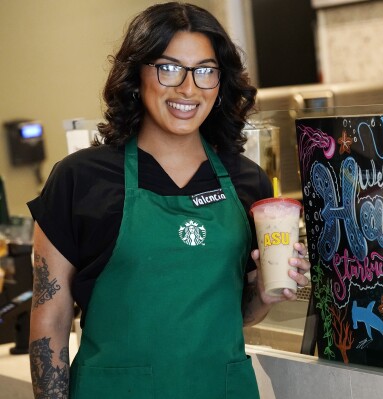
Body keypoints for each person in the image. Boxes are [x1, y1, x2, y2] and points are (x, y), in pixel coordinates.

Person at [27, 3, 311, 398]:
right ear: (136, 73)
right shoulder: (80, 179)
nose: (188, 88)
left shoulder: (248, 181)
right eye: (169, 67)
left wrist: (264, 293)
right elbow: (51, 317)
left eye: (205, 71)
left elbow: (240, 315)